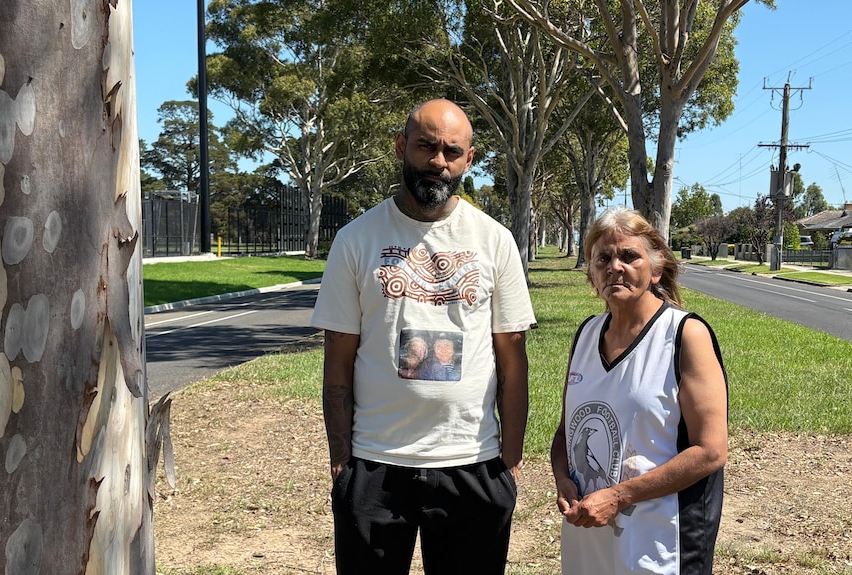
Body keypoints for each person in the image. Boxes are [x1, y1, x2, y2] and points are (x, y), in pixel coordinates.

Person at [310, 98, 537, 575]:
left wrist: (509, 462)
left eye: (451, 151)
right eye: (425, 146)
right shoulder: (355, 240)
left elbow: (512, 359)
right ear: (401, 147)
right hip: (376, 462)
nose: (438, 161)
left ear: (468, 160)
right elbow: (338, 359)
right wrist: (341, 462)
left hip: (473, 460)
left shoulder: (494, 240)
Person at [553, 207, 728, 575]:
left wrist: (619, 496)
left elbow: (711, 451)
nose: (615, 266)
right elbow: (566, 429)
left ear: (656, 269)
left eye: (629, 256)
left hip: (661, 542)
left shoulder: (684, 336)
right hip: (590, 536)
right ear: (591, 273)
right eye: (603, 258)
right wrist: (564, 479)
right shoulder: (586, 335)